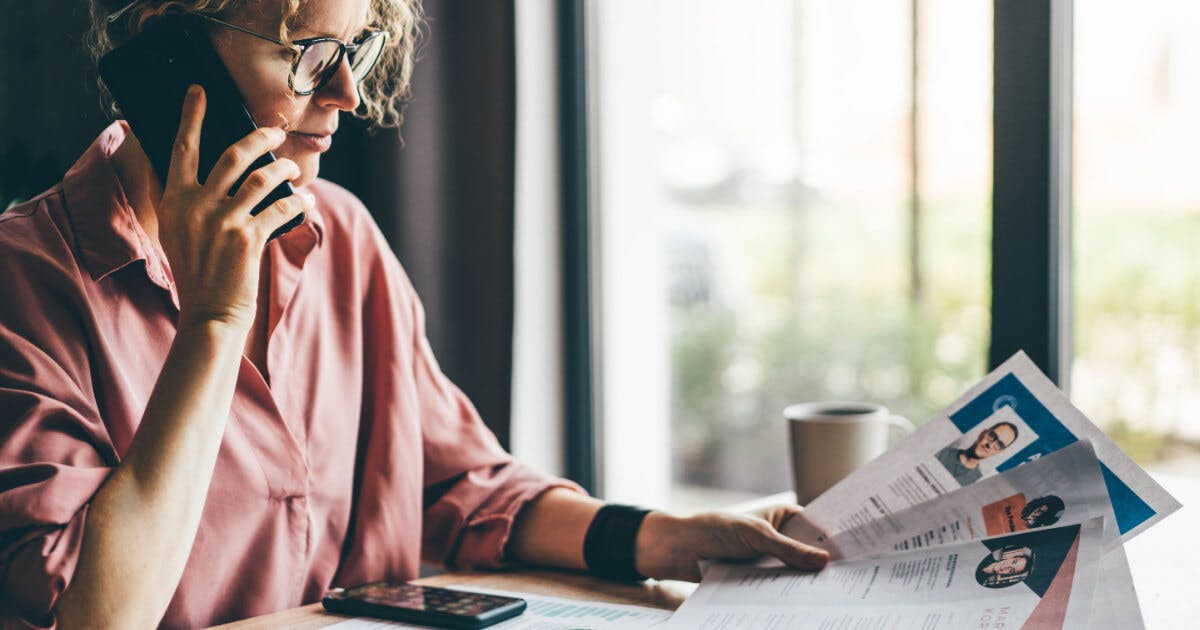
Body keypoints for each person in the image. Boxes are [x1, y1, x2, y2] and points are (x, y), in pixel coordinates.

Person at [0, 1, 828, 628]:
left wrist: (670, 538)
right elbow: (92, 614)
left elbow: (465, 487)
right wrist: (215, 322)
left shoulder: (342, 239)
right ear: (166, 42)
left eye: (355, 49)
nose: (347, 93)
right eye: (310, 54)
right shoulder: (27, 279)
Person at [934, 421, 1019, 486]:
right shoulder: (941, 451)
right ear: (983, 433)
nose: (990, 444)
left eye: (999, 444)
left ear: (999, 452)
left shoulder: (977, 482)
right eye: (992, 436)